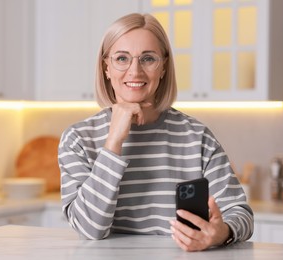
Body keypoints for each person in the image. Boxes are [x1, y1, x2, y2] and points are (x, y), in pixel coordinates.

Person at [58, 13, 253, 252]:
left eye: (148, 59)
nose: (135, 71)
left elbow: (240, 213)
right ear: (106, 67)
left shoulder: (196, 136)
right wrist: (113, 142)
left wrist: (221, 233)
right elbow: (89, 229)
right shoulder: (78, 139)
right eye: (122, 58)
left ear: (163, 67)